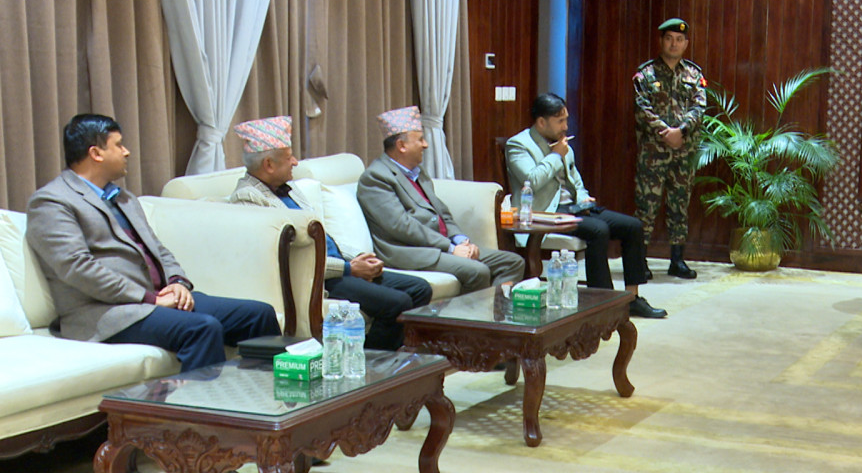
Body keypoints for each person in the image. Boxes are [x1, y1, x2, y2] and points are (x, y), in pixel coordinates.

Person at [26, 114, 279, 473]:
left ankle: (267, 436)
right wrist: (149, 297)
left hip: (157, 298)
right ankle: (200, 462)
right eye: (119, 144)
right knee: (202, 329)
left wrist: (177, 283)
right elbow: (77, 269)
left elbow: (159, 249)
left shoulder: (122, 197)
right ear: (96, 153)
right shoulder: (52, 202)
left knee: (257, 315)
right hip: (104, 312)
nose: (127, 151)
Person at [228, 115, 432, 350]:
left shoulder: (289, 189)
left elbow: (324, 238)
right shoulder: (248, 198)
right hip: (320, 279)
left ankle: (388, 352)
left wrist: (357, 257)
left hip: (341, 266)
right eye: (288, 157)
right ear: (269, 164)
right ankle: (370, 360)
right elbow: (285, 259)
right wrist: (348, 268)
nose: (295, 162)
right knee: (397, 302)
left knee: (420, 289)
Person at [506, 94, 667, 319]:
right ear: (541, 122)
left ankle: (632, 299)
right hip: (546, 212)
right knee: (598, 230)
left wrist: (583, 198)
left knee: (633, 226)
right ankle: (604, 302)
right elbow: (530, 181)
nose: (566, 126)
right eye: (560, 121)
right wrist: (555, 156)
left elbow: (576, 181)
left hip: (573, 208)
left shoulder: (562, 144)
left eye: (566, 119)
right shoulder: (518, 145)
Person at [357, 106, 525, 293]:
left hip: (441, 246)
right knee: (477, 271)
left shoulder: (418, 172)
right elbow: (402, 226)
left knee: (512, 262)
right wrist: (450, 248)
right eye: (420, 139)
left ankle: (495, 309)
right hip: (411, 251)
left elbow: (442, 213)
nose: (426, 145)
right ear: (401, 145)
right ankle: (471, 312)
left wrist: (461, 241)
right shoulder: (376, 177)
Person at [632, 17, 707, 280]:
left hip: (684, 152)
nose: (674, 44)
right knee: (646, 207)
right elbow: (642, 109)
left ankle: (677, 261)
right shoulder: (646, 75)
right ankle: (639, 261)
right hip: (653, 153)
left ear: (686, 43)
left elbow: (699, 108)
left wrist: (681, 131)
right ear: (661, 41)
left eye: (679, 39)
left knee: (680, 205)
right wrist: (667, 133)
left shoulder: (694, 75)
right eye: (669, 39)